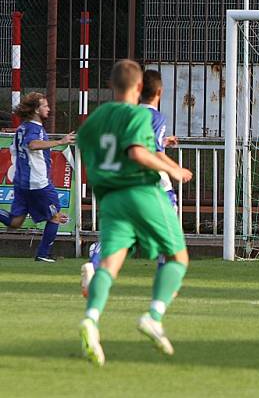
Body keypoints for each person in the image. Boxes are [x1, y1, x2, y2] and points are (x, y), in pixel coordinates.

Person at [77, 59, 193, 367]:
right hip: (141, 193)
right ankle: (153, 316)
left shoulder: (99, 116)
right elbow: (140, 153)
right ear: (139, 88)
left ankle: (91, 319)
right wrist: (175, 169)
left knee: (110, 265)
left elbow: (84, 143)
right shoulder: (140, 115)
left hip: (112, 199)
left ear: (111, 85)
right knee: (178, 257)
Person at [80, 69, 180, 297]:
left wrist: (162, 141)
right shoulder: (155, 116)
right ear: (159, 92)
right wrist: (174, 169)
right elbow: (150, 151)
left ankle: (97, 258)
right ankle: (166, 280)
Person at [0, 92, 74, 262]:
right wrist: (60, 142)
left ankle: (43, 254)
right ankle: (43, 254)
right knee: (55, 216)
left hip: (22, 183)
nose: (49, 109)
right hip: (37, 183)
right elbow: (32, 144)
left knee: (15, 222)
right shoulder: (34, 129)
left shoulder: (22, 128)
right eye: (45, 106)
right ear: (35, 109)